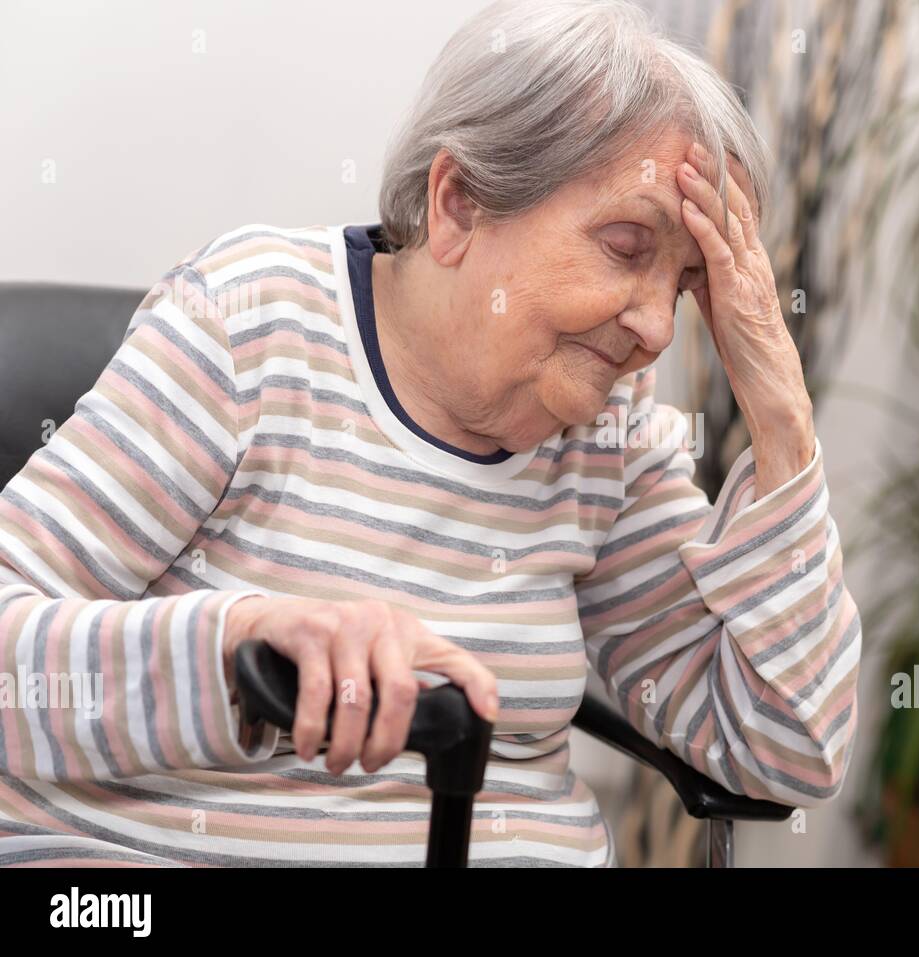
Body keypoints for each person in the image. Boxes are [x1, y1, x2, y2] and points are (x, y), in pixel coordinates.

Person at [0, 0, 861, 866]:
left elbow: (786, 747)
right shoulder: (247, 325)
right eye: (626, 245)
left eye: (680, 283)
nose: (656, 329)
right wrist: (242, 645)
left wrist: (783, 420)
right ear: (458, 203)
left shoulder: (607, 434)